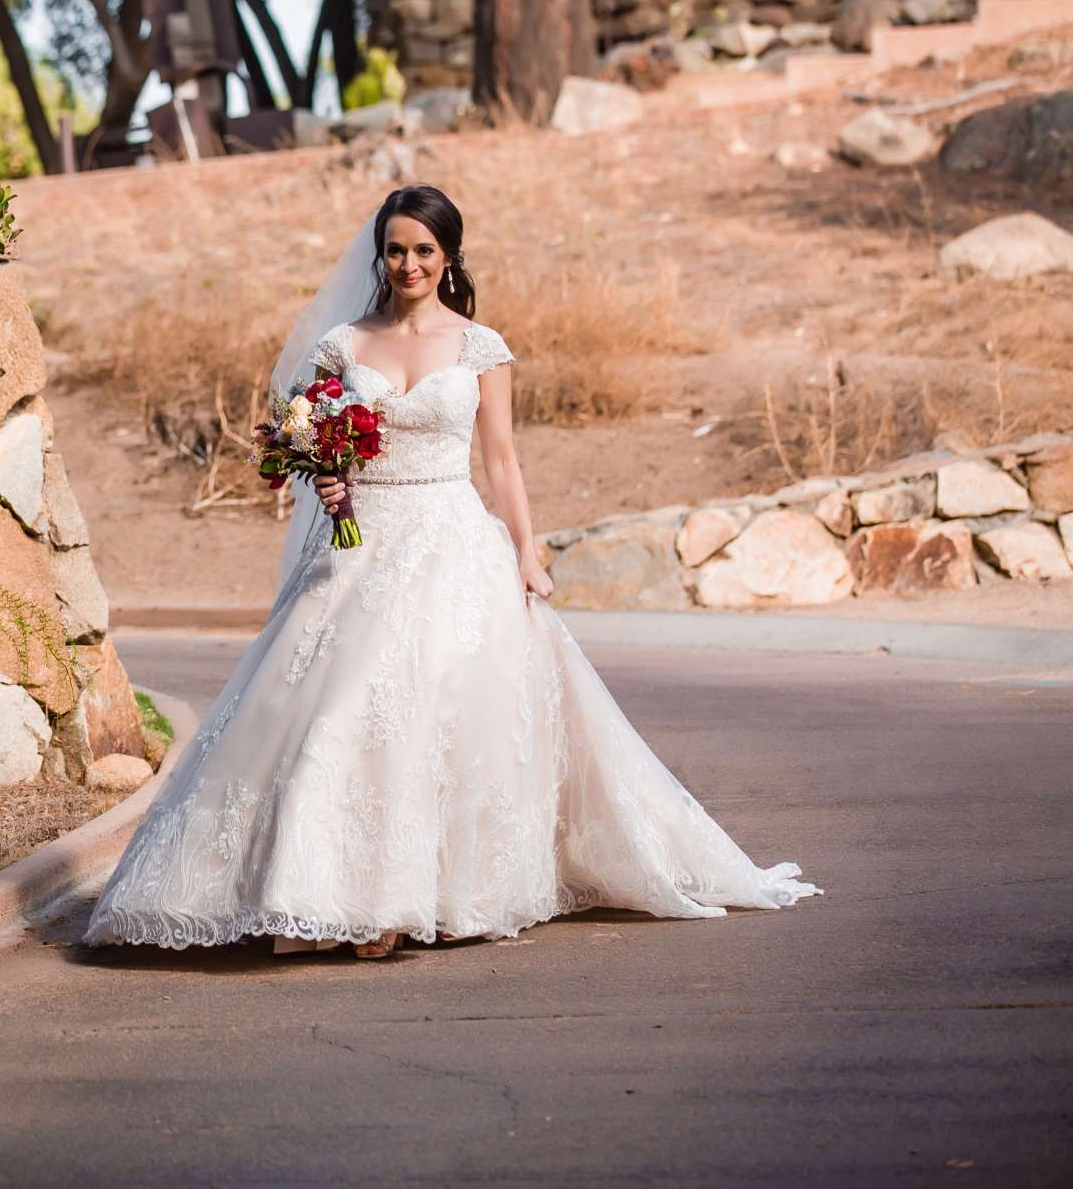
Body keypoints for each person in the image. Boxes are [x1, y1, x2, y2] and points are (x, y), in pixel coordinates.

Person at [84, 184, 814, 958]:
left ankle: (396, 904)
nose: (408, 264)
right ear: (381, 255)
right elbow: (307, 438)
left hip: (451, 539)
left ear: (448, 257)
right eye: (396, 249)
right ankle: (317, 893)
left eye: (424, 251)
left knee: (426, 717)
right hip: (360, 549)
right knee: (336, 720)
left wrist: (528, 553)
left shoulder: (479, 346)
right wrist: (325, 476)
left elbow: (501, 459)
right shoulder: (344, 344)